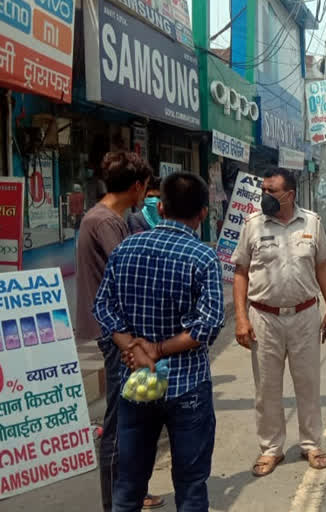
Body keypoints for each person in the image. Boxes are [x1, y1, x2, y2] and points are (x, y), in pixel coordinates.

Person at [94, 172, 224, 512]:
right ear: (203, 214)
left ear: (161, 208)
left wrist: (133, 348)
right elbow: (208, 324)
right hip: (187, 387)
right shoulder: (202, 257)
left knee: (129, 486)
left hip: (136, 382)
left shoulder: (125, 249)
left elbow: (103, 308)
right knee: (191, 486)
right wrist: (158, 349)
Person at [231, 168, 326, 478]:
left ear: (289, 195)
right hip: (264, 318)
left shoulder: (312, 223)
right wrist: (240, 318)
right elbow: (240, 273)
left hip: (305, 316)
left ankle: (311, 444)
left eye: (271, 191)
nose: (264, 196)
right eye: (262, 190)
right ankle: (271, 449)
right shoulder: (252, 225)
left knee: (308, 383)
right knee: (267, 388)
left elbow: (322, 268)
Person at [74, 151, 163, 512]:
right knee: (118, 421)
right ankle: (115, 501)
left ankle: (131, 492)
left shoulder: (110, 217)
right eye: (146, 189)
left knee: (133, 413)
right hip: (116, 334)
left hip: (118, 330)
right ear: (137, 186)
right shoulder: (106, 222)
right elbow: (128, 276)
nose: (148, 197)